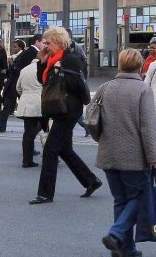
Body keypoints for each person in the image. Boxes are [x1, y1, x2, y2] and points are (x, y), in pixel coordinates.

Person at [93, 47, 156, 257]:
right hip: (133, 157)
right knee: (138, 198)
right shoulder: (142, 90)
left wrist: (100, 139)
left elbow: (92, 117)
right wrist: (153, 157)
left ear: (120, 64)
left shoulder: (105, 87)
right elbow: (149, 128)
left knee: (120, 200)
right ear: (140, 65)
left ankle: (125, 249)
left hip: (108, 153)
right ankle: (116, 233)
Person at [30, 27, 102, 204]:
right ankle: (91, 181)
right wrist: (41, 62)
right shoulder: (50, 59)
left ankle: (45, 193)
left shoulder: (69, 59)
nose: (45, 46)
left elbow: (77, 84)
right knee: (64, 149)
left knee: (50, 150)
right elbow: (42, 80)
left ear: (59, 42)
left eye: (48, 43)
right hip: (58, 108)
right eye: (44, 43)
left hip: (68, 110)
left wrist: (59, 71)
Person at [0, 35, 40, 133]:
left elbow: (20, 70)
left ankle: (35, 126)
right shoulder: (19, 55)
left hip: (18, 84)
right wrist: (7, 71)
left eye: (15, 47)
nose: (13, 49)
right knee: (8, 106)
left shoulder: (24, 55)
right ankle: (0, 126)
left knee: (22, 107)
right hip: (14, 84)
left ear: (20, 48)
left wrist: (11, 64)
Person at [15, 45, 49, 168]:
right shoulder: (45, 68)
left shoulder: (24, 70)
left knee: (28, 133)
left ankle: (27, 160)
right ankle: (49, 156)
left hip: (26, 104)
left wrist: (25, 95)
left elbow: (18, 88)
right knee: (47, 130)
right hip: (42, 102)